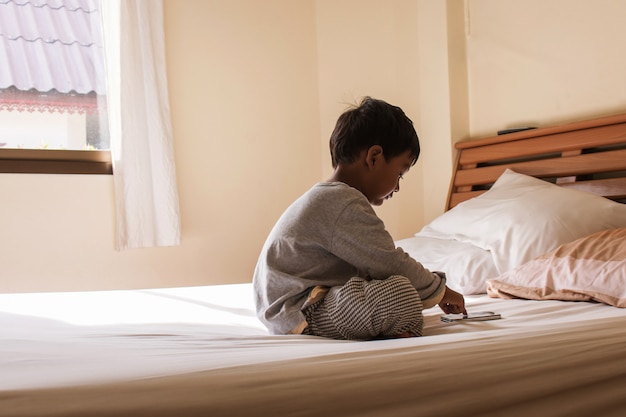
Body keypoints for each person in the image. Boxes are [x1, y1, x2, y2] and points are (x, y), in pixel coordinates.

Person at [253, 97, 466, 340]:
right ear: (374, 157)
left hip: (293, 306)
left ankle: (388, 326)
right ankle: (393, 327)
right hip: (302, 309)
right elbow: (389, 261)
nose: (397, 187)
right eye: (400, 173)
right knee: (401, 293)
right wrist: (442, 291)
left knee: (389, 287)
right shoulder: (342, 202)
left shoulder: (329, 197)